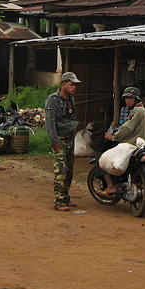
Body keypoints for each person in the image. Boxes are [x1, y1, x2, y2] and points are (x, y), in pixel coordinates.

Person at [97, 87, 145, 209]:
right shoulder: (140, 110)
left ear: (137, 99)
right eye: (126, 98)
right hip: (141, 145)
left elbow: (127, 128)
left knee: (103, 159)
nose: (128, 100)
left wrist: (113, 136)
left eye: (131, 98)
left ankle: (110, 186)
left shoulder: (137, 111)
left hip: (131, 145)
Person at [45, 72, 81, 211]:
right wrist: (54, 140)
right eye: (71, 85)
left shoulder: (71, 100)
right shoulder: (53, 100)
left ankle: (65, 196)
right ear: (63, 84)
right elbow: (50, 122)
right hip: (59, 139)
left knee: (70, 169)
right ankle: (59, 200)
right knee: (61, 169)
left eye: (75, 85)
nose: (74, 88)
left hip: (69, 138)